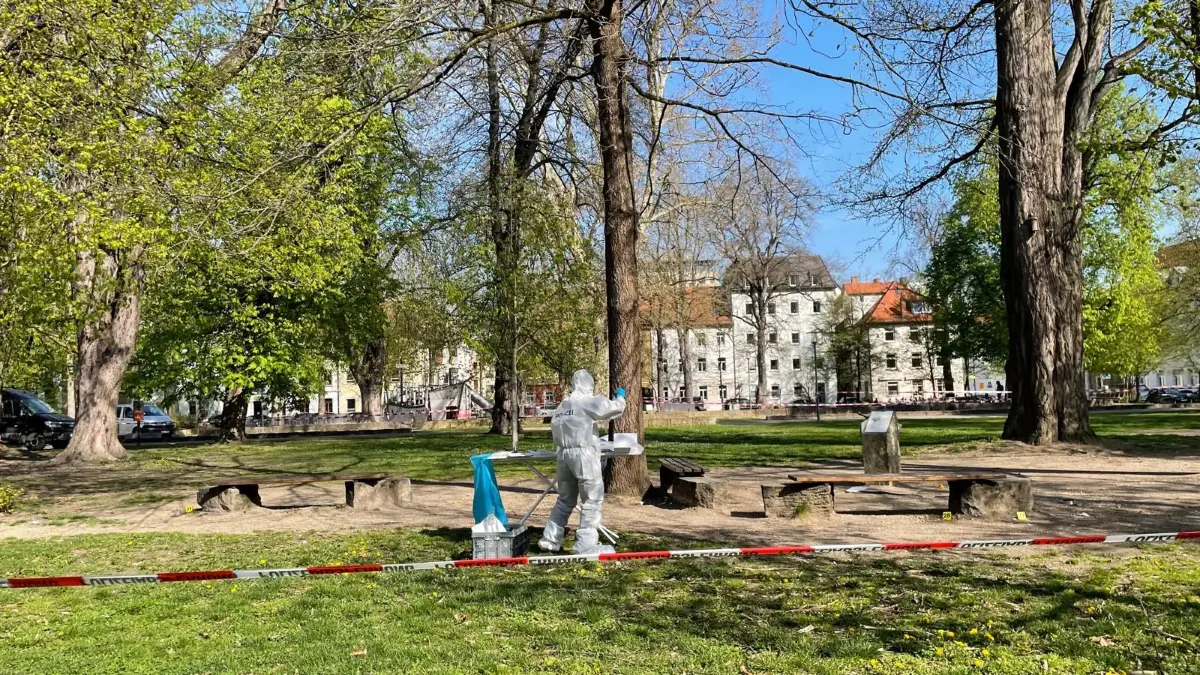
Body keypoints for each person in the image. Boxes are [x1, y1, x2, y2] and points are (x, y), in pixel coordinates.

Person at [538, 369, 627, 554]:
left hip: (563, 455)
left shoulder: (563, 405)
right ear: (589, 385)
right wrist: (620, 398)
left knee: (565, 499)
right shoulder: (587, 401)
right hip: (583, 455)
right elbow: (613, 409)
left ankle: (550, 539)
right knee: (592, 499)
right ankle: (586, 544)